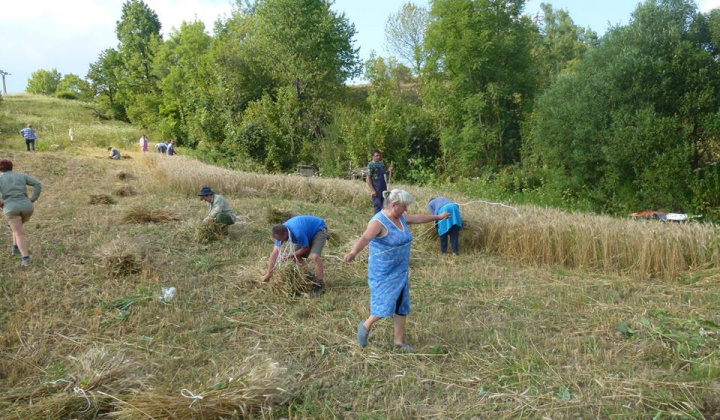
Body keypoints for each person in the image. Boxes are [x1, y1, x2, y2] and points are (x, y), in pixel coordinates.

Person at [345, 189, 449, 351]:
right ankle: (365, 326)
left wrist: (438, 217)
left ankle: (399, 342)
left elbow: (417, 218)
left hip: (401, 270)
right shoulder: (378, 222)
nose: (406, 210)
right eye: (404, 206)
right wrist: (353, 252)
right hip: (384, 272)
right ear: (394, 206)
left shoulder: (400, 218)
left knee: (401, 305)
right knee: (385, 305)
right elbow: (365, 238)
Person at [262, 215, 328, 296]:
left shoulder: (297, 232)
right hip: (306, 232)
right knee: (295, 256)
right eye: (277, 240)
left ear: (285, 234)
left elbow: (305, 248)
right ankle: (310, 276)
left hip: (319, 229)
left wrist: (289, 256)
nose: (279, 241)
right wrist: (269, 273)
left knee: (314, 256)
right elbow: (275, 253)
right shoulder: (280, 233)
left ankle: (320, 284)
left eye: (280, 239)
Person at [0, 159, 41, 267]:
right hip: (27, 207)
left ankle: (25, 258)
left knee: (18, 232)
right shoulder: (21, 176)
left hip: (11, 207)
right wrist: (33, 199)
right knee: (17, 228)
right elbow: (37, 184)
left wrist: (1, 203)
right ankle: (15, 248)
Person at [366, 149, 392, 214]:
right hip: (376, 187)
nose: (378, 157)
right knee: (377, 204)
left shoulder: (382, 164)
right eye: (376, 156)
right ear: (373, 157)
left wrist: (388, 171)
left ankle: (383, 219)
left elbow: (385, 175)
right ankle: (377, 220)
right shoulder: (371, 165)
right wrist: (372, 190)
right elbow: (368, 178)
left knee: (384, 203)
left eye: (379, 156)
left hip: (383, 185)